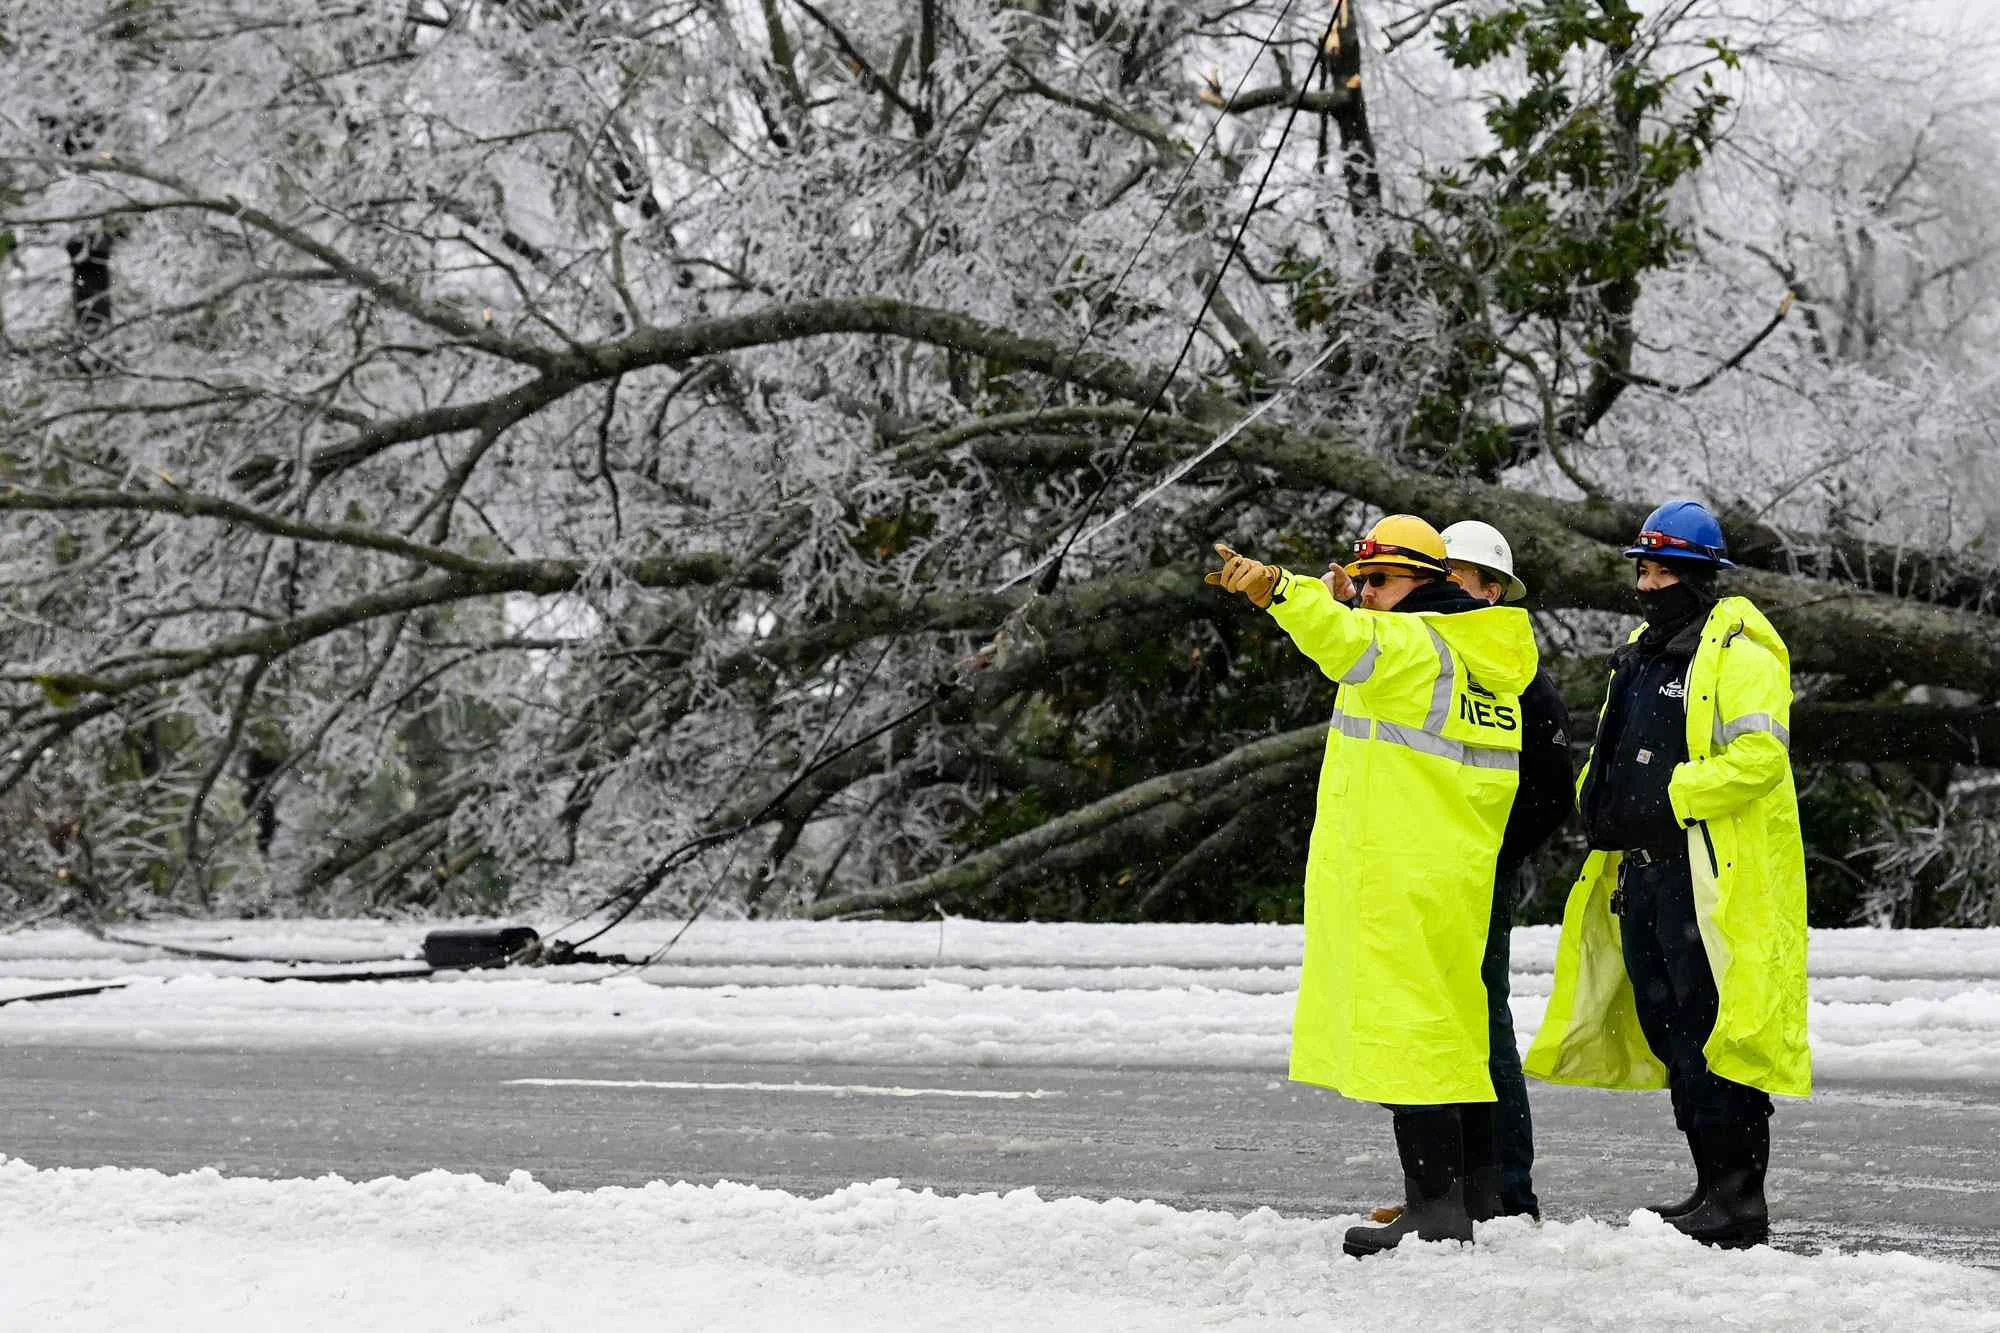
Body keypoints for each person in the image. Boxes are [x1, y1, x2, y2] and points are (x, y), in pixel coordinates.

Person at [1206, 515, 1539, 1257]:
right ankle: (1474, 1194)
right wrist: (1346, 599)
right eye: (1364, 580)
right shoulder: (1478, 656)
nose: (1369, 595)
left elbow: (1349, 642)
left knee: (1408, 1042)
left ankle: (1435, 1210)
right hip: (1451, 874)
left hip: (1400, 874)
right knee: (1450, 1037)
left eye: (1382, 581)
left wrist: (1280, 591)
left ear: (1427, 582)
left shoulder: (1413, 646)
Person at [1523, 499, 1811, 1249]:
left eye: (1655, 569)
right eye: (1641, 568)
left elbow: (1760, 759)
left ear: (1691, 573)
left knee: (1719, 1031)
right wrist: (1605, 804)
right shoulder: (1643, 652)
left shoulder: (1741, 655)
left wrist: (1672, 796)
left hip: (1703, 876)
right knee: (1672, 1029)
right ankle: (1711, 1182)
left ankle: (1740, 1199)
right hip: (1644, 874)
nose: (1644, 581)